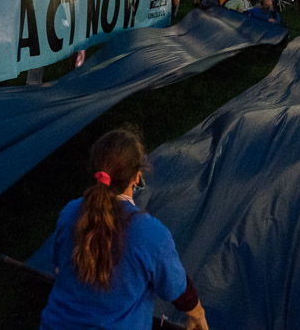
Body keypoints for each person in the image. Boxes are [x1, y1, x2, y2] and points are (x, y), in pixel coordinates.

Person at [40, 129, 208, 330]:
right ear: (137, 176)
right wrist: (198, 315)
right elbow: (178, 291)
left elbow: (58, 264)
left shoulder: (70, 213)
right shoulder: (150, 233)